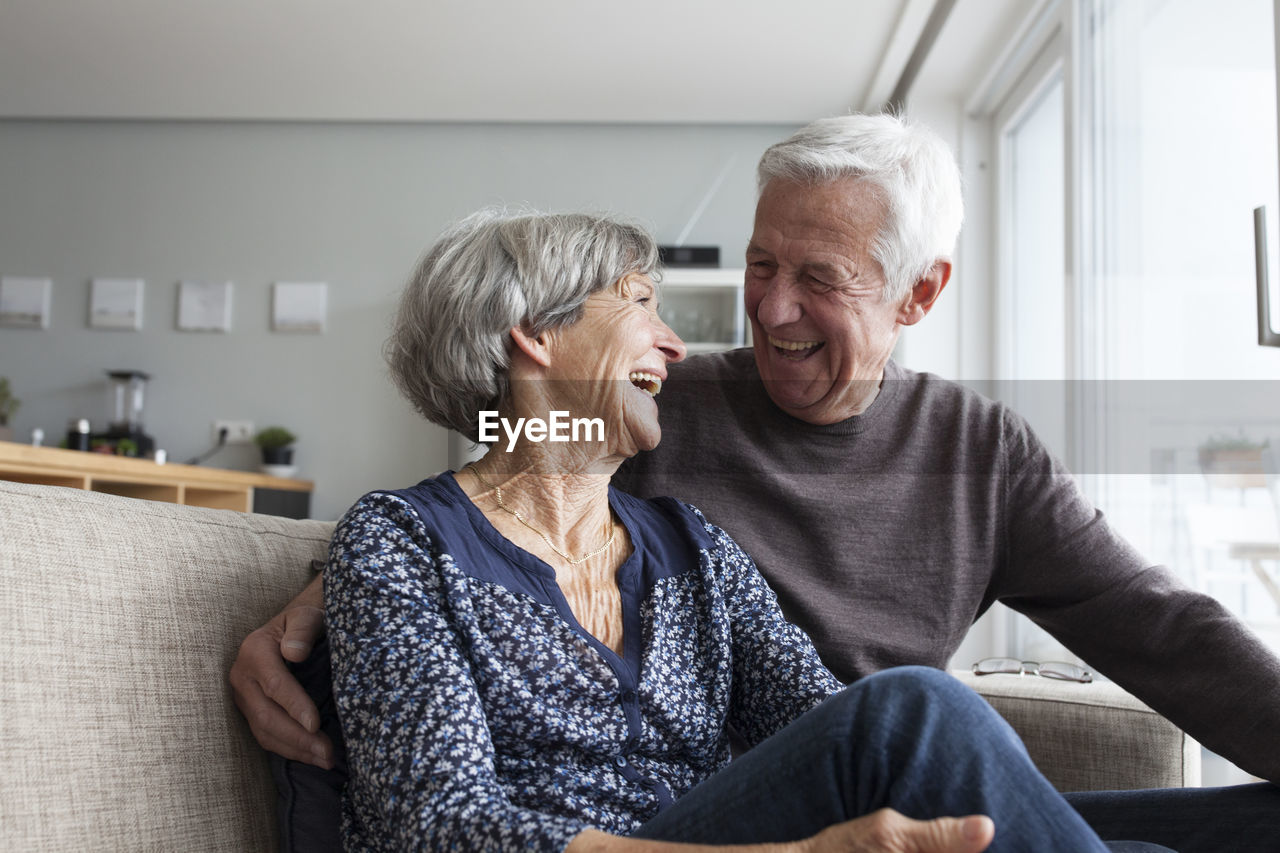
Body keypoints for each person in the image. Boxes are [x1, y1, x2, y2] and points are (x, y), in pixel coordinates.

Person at [231, 115, 1280, 850]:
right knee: (912, 714)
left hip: (860, 781)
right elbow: (498, 460)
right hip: (743, 809)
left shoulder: (967, 455)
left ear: (918, 292)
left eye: (818, 279)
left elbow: (1156, 625)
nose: (766, 311)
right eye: (760, 264)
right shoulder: (645, 413)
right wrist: (331, 583)